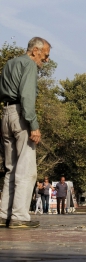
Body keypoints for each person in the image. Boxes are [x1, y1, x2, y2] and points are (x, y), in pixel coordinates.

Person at [0, 37, 51, 229]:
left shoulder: (10, 63)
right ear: (35, 51)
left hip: (6, 113)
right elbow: (27, 96)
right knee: (26, 169)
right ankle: (19, 216)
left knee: (11, 168)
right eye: (45, 55)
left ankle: (4, 214)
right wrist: (34, 125)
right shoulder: (29, 65)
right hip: (21, 115)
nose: (46, 60)